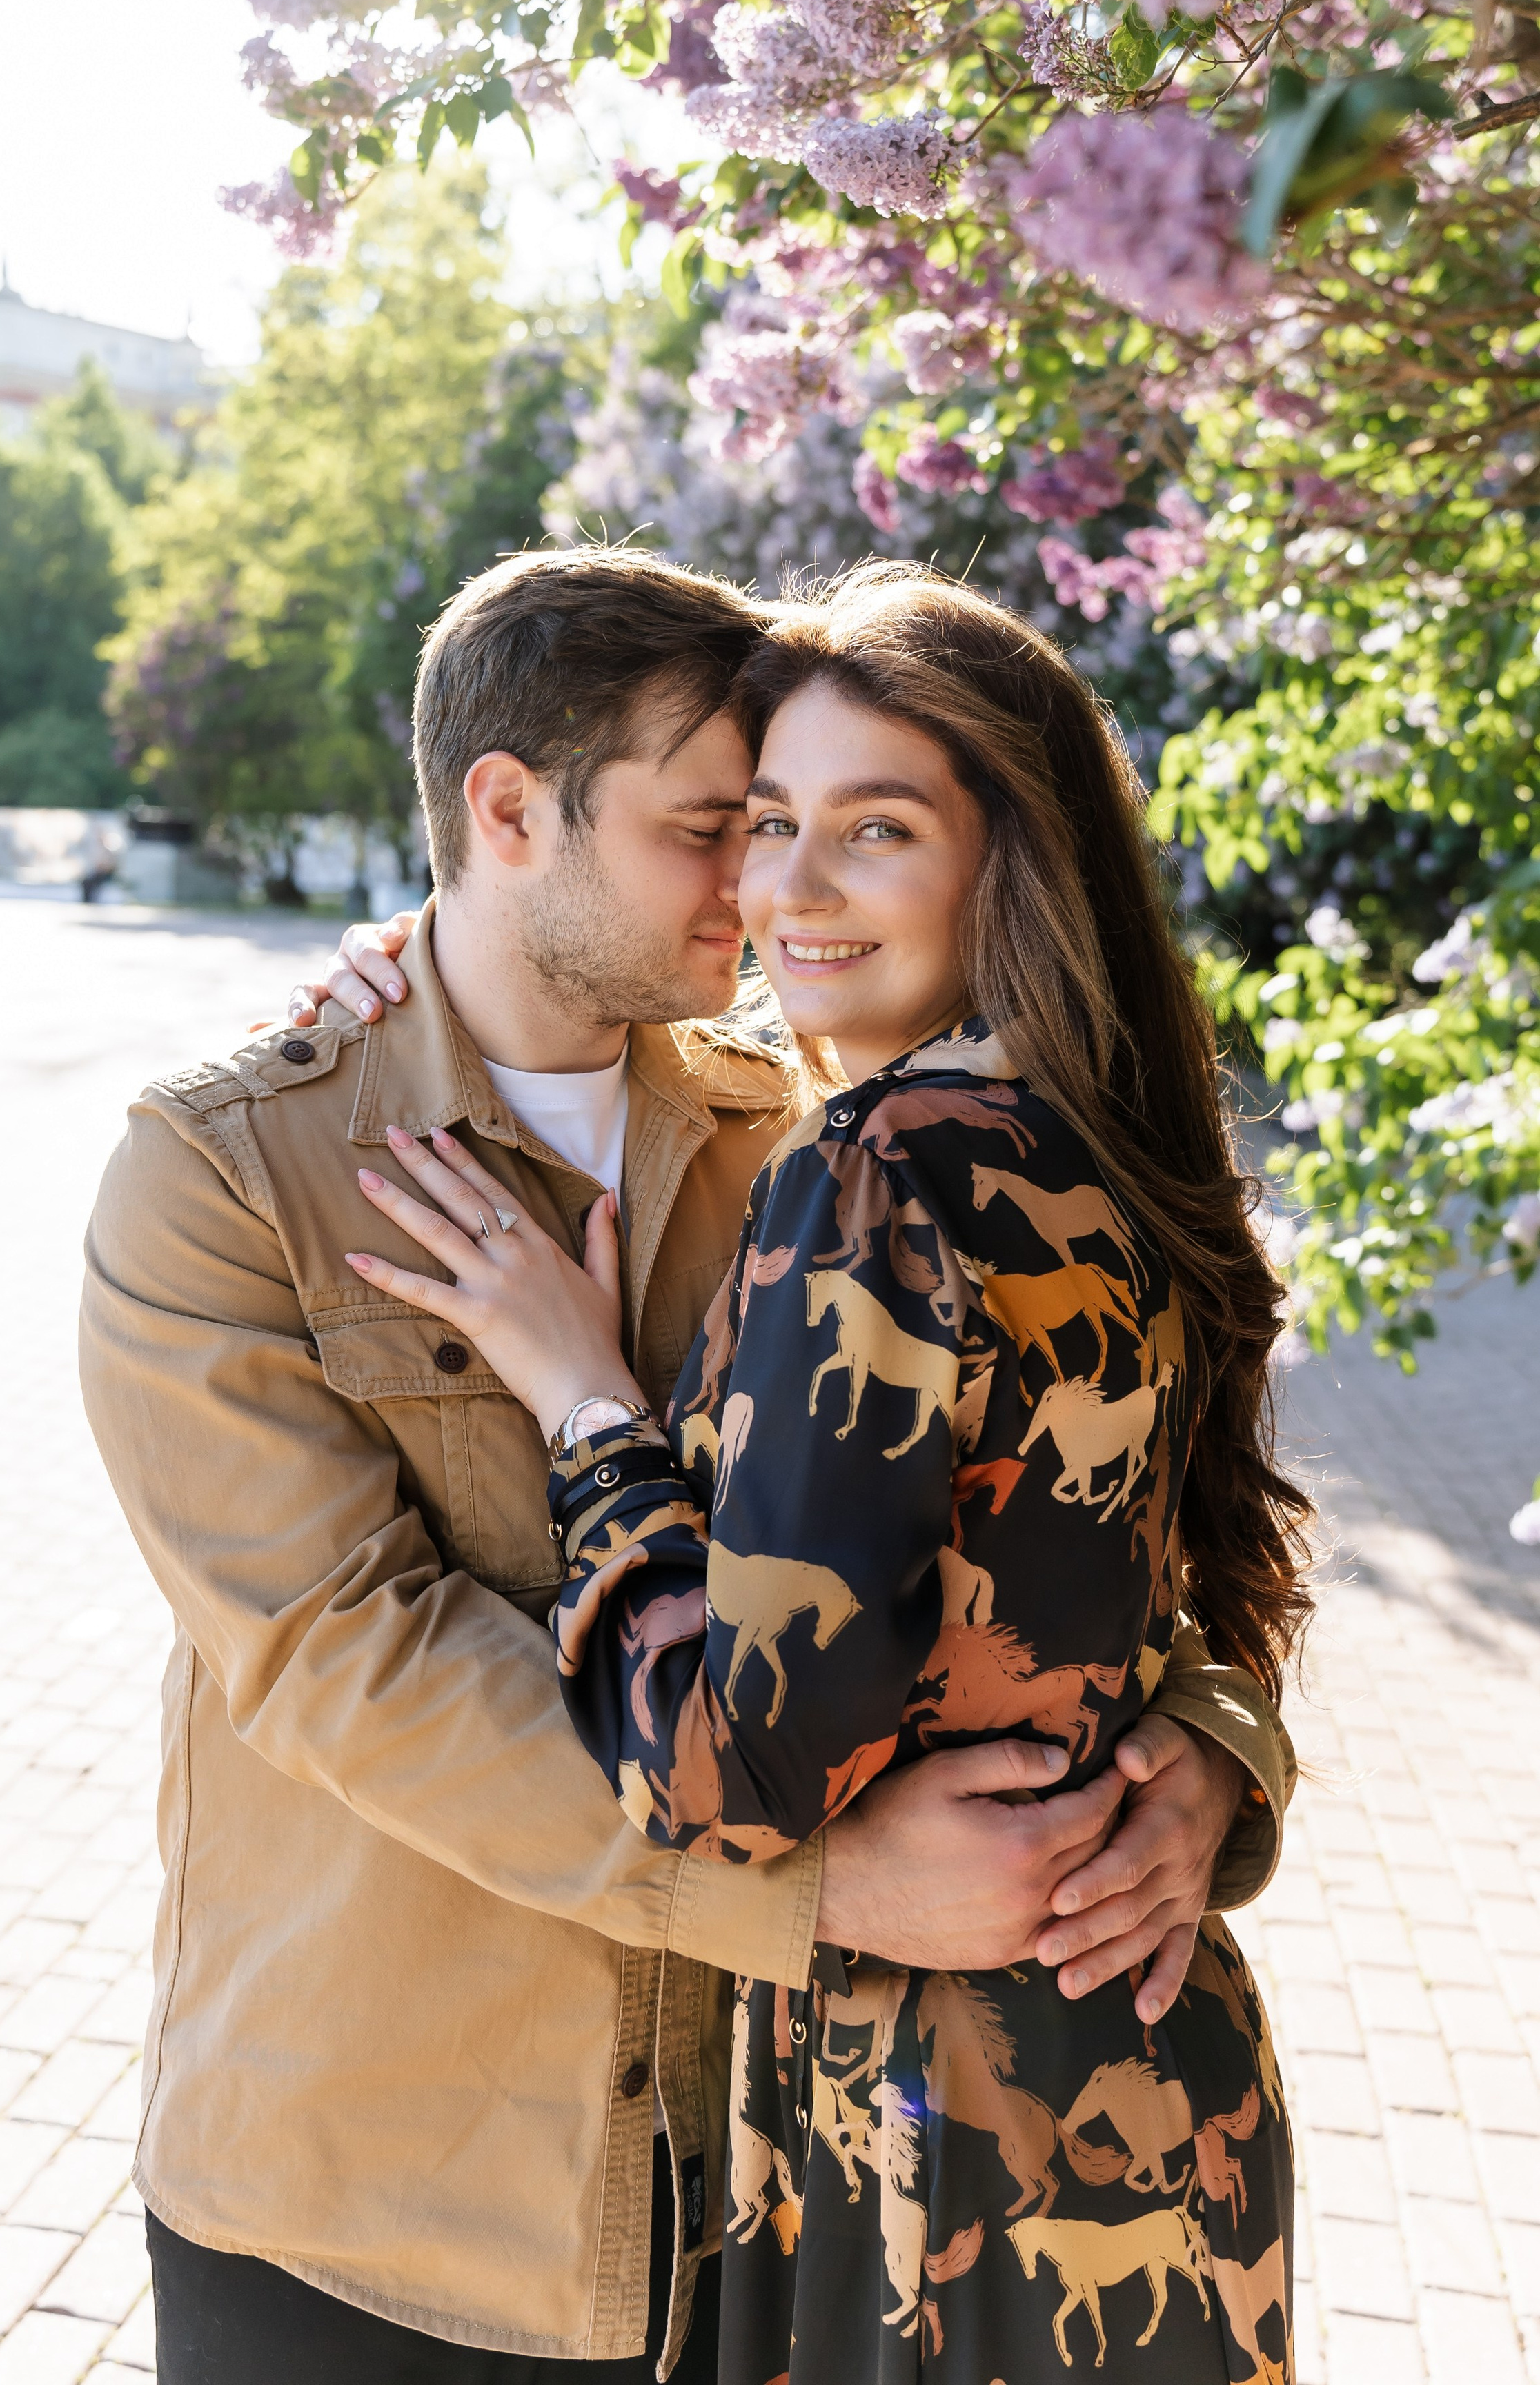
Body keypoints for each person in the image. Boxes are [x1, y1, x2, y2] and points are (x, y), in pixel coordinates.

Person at [81, 548, 1294, 2385]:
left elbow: (1081, 1525)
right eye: (721, 821)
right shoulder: (232, 1178)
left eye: (807, 822)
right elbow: (347, 1659)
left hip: (756, 2210)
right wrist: (812, 1895)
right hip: (386, 2202)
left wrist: (1205, 1756)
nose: (762, 884)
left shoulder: (814, 1126)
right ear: (508, 811)